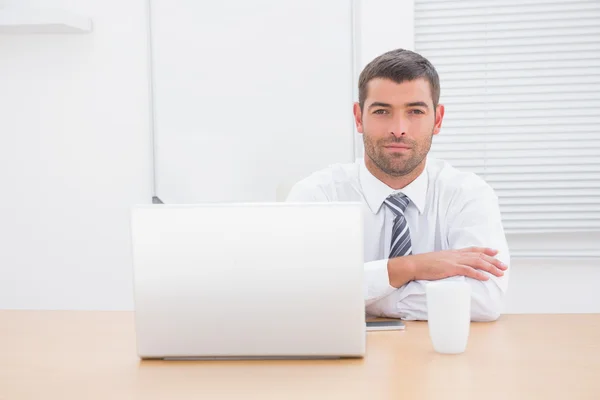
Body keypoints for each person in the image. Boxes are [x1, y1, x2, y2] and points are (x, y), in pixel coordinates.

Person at [286, 48, 509, 322]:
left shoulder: (468, 194)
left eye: (415, 111)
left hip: (440, 357)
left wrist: (360, 293)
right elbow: (298, 293)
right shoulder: (318, 195)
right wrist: (408, 267)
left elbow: (483, 300)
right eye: (382, 111)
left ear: (437, 120)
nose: (399, 128)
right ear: (359, 118)